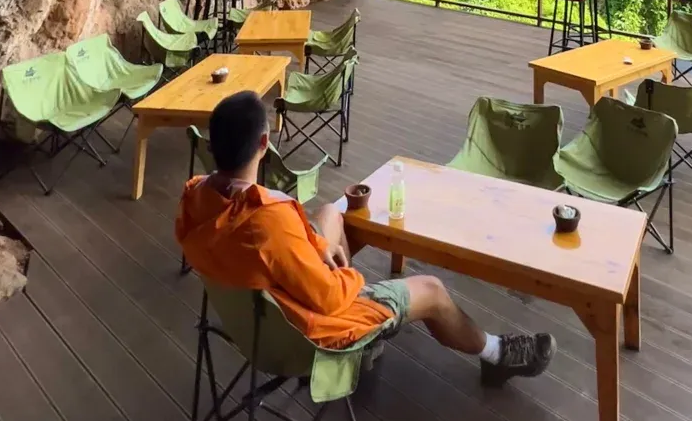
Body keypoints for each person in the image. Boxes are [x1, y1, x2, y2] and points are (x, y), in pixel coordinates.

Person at [176, 90, 556, 385]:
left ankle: (356, 319)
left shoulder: (195, 197)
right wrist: (349, 278)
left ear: (212, 146)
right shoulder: (267, 221)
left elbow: (275, 246)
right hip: (308, 331)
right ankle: (496, 355)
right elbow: (328, 298)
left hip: (255, 319)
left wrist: (321, 247)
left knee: (331, 212)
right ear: (264, 144)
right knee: (432, 291)